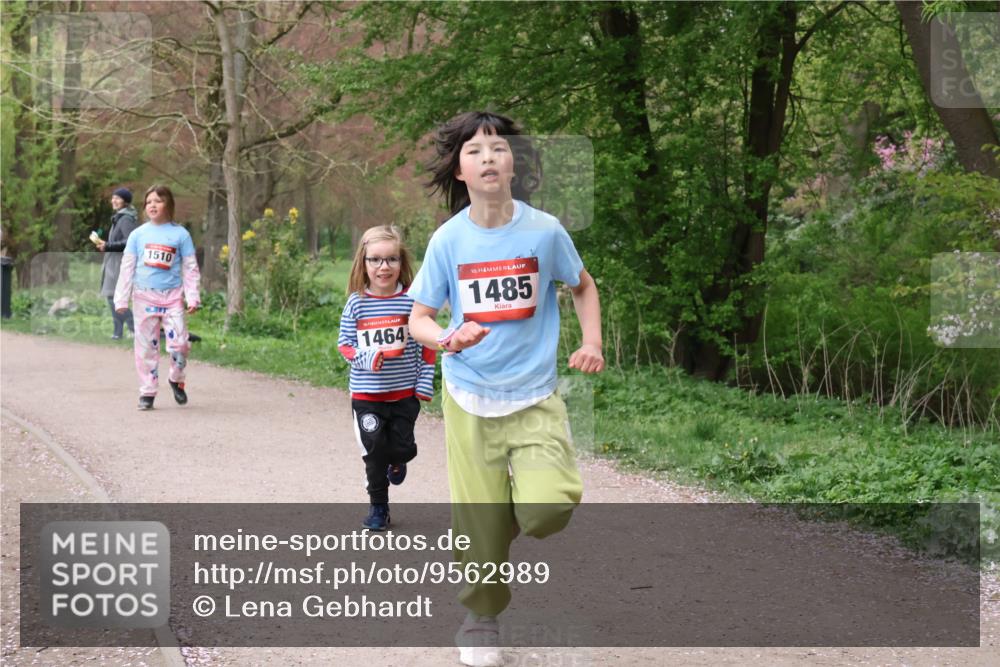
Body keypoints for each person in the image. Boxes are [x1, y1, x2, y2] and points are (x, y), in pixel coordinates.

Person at [407, 111, 604, 667]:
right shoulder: (449, 240)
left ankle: (494, 531)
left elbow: (583, 286)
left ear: (516, 162)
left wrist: (592, 341)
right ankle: (481, 621)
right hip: (469, 396)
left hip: (535, 393)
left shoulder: (544, 231)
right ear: (459, 170)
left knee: (548, 508)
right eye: (474, 151)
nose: (488, 157)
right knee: (476, 519)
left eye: (498, 147)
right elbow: (418, 317)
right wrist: (449, 337)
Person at [338, 225, 436, 531]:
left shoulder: (412, 302)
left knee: (403, 448)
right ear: (363, 263)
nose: (384, 267)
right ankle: (378, 507)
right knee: (374, 453)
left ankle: (400, 458)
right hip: (367, 396)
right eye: (375, 260)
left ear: (401, 263)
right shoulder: (356, 303)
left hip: (404, 395)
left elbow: (428, 346)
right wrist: (367, 358)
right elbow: (345, 345)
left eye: (391, 260)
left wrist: (423, 381)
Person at [113, 185, 200, 410]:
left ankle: (176, 379)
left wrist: (192, 297)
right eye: (149, 201)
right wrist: (121, 299)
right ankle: (147, 392)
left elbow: (190, 267)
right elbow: (127, 267)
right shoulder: (138, 235)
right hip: (144, 298)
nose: (152, 205)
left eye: (158, 201)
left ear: (168, 204)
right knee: (145, 347)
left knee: (180, 344)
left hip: (172, 299)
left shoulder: (181, 234)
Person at [97, 187, 138, 339]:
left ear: (125, 201)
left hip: (120, 264)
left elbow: (129, 241)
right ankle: (118, 332)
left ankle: (134, 329)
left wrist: (108, 246)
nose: (113, 200)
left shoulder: (126, 219)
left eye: (118, 198)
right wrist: (105, 245)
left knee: (113, 297)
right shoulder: (119, 217)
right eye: (113, 198)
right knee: (113, 297)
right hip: (113, 261)